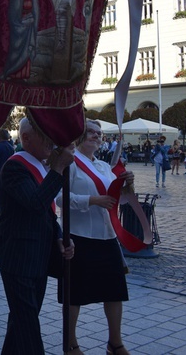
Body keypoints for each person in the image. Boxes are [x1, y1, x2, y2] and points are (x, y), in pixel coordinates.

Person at [0, 117, 75, 354]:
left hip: (36, 256)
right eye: (44, 133)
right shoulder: (15, 166)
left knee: (22, 321)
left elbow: (47, 212)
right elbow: (36, 203)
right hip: (18, 258)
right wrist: (58, 168)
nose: (51, 139)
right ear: (26, 138)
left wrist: (59, 236)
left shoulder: (39, 165)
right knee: (28, 324)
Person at [56, 119, 133, 355]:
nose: (96, 136)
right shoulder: (69, 163)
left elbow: (119, 199)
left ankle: (115, 343)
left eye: (99, 133)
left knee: (115, 291)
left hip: (108, 236)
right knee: (75, 295)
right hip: (80, 238)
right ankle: (71, 344)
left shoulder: (103, 167)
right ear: (79, 135)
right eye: (90, 132)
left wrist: (128, 185)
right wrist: (91, 200)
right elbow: (59, 198)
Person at [1, 0, 40, 80]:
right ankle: (11, 72)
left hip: (29, 30)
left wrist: (32, 21)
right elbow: (12, 14)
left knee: (27, 52)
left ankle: (24, 75)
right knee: (15, 53)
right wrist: (22, 22)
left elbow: (36, 13)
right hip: (19, 29)